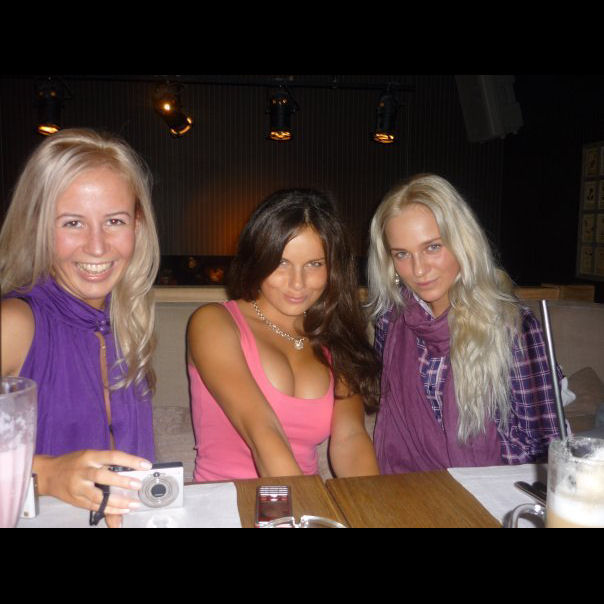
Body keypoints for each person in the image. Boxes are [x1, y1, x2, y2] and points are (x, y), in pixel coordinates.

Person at [0, 128, 161, 527]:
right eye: (73, 223)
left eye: (114, 221)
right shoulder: (15, 323)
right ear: (38, 226)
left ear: (138, 226)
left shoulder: (124, 324)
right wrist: (47, 473)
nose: (97, 246)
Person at [367, 173, 571, 474]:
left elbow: (544, 445)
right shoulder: (390, 321)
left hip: (491, 489)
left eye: (432, 247)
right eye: (402, 254)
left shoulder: (513, 326)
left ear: (462, 241)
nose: (419, 269)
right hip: (403, 485)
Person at [187, 189, 380, 481]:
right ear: (258, 258)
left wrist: (370, 503)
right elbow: (262, 432)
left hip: (307, 496)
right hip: (226, 501)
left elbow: (351, 438)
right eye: (281, 262)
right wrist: (304, 507)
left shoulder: (335, 338)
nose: (297, 283)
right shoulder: (214, 322)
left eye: (314, 264)